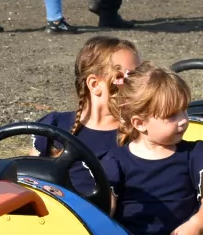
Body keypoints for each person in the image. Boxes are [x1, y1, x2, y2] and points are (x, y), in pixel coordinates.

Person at [99, 64, 203, 235]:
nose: (183, 120)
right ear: (140, 123)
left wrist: (197, 223)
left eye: (184, 110)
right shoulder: (116, 162)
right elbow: (104, 215)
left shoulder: (193, 155)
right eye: (172, 116)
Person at [36, 35, 140, 193]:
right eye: (127, 78)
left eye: (139, 77)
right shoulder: (54, 126)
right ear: (95, 84)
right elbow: (30, 177)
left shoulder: (138, 131)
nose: (139, 86)